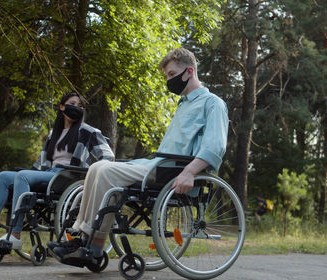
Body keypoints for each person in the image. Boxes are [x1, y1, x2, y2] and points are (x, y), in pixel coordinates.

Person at [51, 47, 229, 262]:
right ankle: (85, 239)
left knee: (107, 173)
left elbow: (215, 146)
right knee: (97, 167)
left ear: (189, 71)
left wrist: (189, 172)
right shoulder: (183, 105)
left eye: (172, 74)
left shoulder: (213, 104)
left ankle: (90, 245)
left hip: (174, 171)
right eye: (167, 76)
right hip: (158, 165)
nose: (169, 80)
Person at [0, 92, 114, 249]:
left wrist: (90, 179)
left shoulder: (88, 131)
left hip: (68, 177)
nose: (76, 108)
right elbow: (40, 164)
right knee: (4, 176)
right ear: (62, 107)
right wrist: (24, 177)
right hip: (50, 174)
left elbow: (108, 157)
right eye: (72, 104)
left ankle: (15, 235)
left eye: (80, 106)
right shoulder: (53, 134)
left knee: (22, 176)